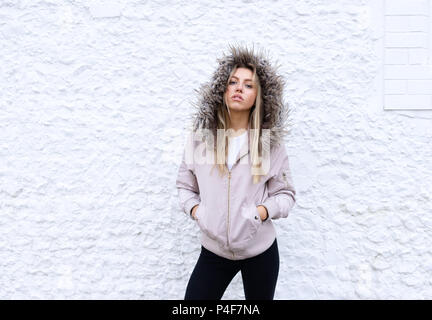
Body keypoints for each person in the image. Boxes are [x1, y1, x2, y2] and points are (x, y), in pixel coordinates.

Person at [175, 43, 296, 300]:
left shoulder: (265, 143)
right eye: (233, 82)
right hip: (214, 250)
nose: (239, 88)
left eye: (249, 85)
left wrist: (260, 213)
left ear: (258, 97)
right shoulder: (202, 139)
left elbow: (285, 194)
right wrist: (199, 212)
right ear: (223, 89)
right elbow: (185, 186)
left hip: (259, 250)